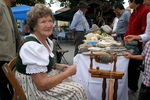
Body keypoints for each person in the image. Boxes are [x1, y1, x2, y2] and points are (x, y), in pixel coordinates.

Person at [15, 4, 87, 100]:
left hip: (41, 79)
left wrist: (57, 66)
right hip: (34, 89)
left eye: (50, 21)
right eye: (43, 22)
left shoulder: (46, 41)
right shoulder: (31, 47)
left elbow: (42, 63)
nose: (49, 25)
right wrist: (67, 73)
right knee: (78, 89)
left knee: (75, 81)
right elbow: (42, 84)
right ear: (34, 26)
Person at [123, 0, 150, 93]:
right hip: (132, 42)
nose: (129, 4)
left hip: (138, 44)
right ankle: (130, 85)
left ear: (134, 1)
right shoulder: (136, 11)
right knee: (130, 65)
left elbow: (145, 30)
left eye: (129, 1)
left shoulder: (145, 10)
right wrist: (129, 36)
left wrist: (141, 42)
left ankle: (133, 87)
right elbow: (131, 27)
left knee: (134, 66)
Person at [0, 0, 20, 99]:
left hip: (10, 54)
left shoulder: (7, 7)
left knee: (12, 84)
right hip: (2, 55)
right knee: (4, 86)